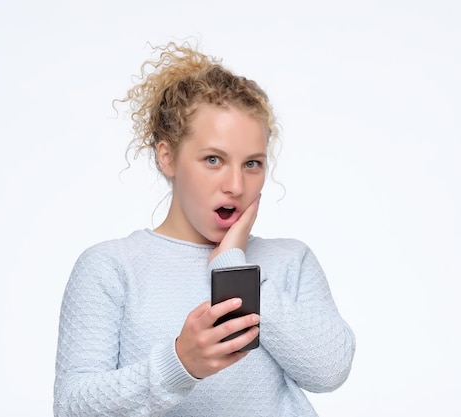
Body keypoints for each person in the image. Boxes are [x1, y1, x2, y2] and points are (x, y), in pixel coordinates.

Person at [53, 41, 356, 417]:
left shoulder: (290, 260)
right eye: (213, 159)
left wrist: (232, 266)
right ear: (168, 157)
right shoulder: (111, 266)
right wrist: (178, 365)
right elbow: (72, 407)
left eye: (252, 164)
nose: (235, 184)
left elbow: (329, 370)